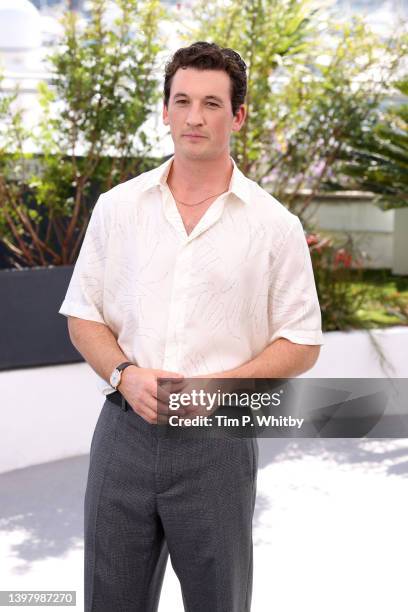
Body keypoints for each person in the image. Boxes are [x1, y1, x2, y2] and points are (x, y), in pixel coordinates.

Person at [59, 41, 323, 612]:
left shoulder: (275, 225)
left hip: (216, 444)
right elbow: (83, 313)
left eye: (211, 103)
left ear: (238, 114)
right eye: (182, 101)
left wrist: (221, 388)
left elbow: (301, 343)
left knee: (218, 601)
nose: (194, 117)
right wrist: (124, 373)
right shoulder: (118, 207)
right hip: (122, 434)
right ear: (165, 110)